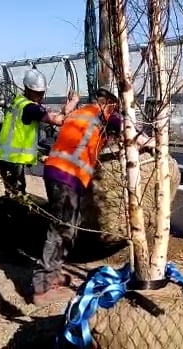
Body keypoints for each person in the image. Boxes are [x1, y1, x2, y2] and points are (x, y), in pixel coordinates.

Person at [31, 86, 154, 306]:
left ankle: (53, 274)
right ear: (107, 104)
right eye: (113, 108)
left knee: (67, 227)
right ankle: (41, 288)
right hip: (68, 176)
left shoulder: (79, 113)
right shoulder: (102, 117)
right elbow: (130, 131)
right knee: (60, 230)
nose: (113, 113)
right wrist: (153, 144)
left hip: (54, 172)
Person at [0, 68, 79, 198]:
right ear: (27, 89)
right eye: (37, 93)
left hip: (3, 157)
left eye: (42, 93)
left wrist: (38, 155)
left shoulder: (18, 102)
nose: (40, 96)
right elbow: (59, 120)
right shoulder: (30, 108)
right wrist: (74, 102)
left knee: (13, 191)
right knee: (18, 195)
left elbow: (22, 133)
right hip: (12, 159)